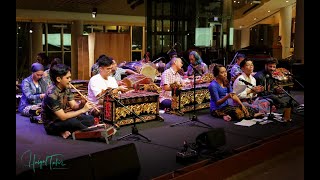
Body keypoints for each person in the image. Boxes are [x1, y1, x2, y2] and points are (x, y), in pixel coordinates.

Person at [41, 61, 95, 139]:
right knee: (74, 122)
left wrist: (82, 103)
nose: (70, 80)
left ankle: (70, 131)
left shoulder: (66, 87)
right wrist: (83, 110)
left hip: (63, 119)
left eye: (70, 77)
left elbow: (74, 106)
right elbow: (63, 116)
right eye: (67, 78)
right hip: (52, 123)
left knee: (90, 119)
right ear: (58, 79)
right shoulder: (52, 94)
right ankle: (89, 132)